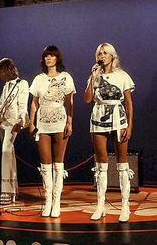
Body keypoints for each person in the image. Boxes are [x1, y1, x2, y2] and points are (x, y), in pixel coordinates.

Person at [84, 42, 135, 222]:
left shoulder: (122, 76)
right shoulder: (95, 76)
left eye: (105, 53)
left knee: (122, 163)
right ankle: (100, 205)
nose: (102, 56)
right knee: (101, 163)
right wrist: (93, 77)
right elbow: (87, 99)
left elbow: (128, 102)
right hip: (98, 117)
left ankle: (125, 205)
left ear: (112, 56)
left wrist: (129, 126)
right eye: (100, 53)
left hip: (118, 117)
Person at [29, 45, 76, 218]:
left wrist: (70, 122)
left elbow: (70, 102)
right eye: (46, 56)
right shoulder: (39, 79)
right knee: (45, 164)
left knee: (58, 164)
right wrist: (31, 122)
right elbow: (34, 102)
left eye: (52, 56)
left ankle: (56, 202)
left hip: (60, 122)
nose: (49, 58)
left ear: (57, 58)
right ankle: (47, 200)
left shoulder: (66, 77)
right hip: (43, 123)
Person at [0, 58, 29, 205]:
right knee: (9, 154)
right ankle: (13, 190)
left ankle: (6, 191)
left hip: (13, 123)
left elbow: (23, 104)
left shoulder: (22, 84)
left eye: (0, 72)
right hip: (3, 123)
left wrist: (21, 121)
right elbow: (2, 102)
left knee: (6, 152)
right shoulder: (6, 86)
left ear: (6, 70)